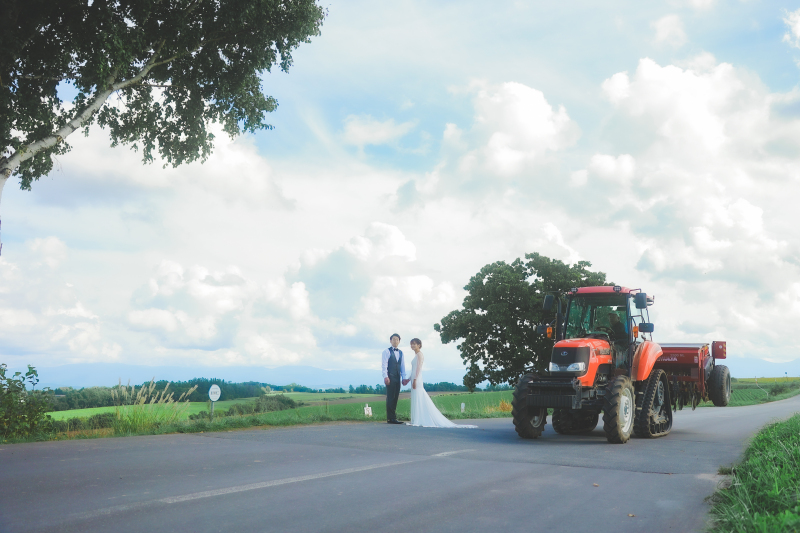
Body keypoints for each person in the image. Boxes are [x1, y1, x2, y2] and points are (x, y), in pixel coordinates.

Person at [406, 338, 477, 429]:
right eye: (411, 344)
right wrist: (409, 379)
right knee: (416, 397)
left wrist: (415, 379)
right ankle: (417, 418)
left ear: (419, 345)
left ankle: (419, 419)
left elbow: (418, 368)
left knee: (419, 397)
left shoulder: (420, 354)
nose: (412, 346)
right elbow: (413, 369)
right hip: (414, 378)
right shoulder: (416, 355)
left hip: (417, 379)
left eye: (414, 344)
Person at [381, 333, 409, 424]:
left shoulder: (401, 352)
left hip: (398, 377)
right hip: (390, 376)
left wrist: (404, 378)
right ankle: (390, 418)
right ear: (390, 341)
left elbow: (402, 366)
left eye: (397, 339)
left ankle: (393, 417)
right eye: (393, 339)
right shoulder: (386, 351)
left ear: (399, 341)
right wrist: (385, 376)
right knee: (390, 397)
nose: (395, 341)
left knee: (396, 396)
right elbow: (384, 365)